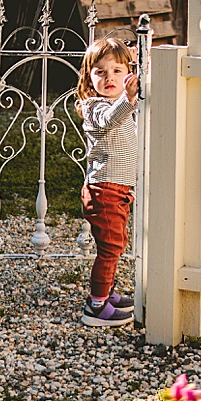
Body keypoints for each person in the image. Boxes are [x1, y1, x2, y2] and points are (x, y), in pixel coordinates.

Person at [76, 36, 140, 328]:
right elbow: (111, 120)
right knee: (110, 247)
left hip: (118, 189)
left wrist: (137, 60)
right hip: (103, 190)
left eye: (117, 70)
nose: (109, 77)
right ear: (89, 77)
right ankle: (96, 305)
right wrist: (127, 98)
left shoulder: (117, 102)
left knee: (117, 243)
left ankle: (108, 292)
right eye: (100, 72)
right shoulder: (94, 107)